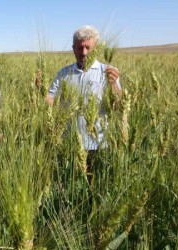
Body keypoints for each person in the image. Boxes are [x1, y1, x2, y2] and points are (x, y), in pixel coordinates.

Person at [45, 25, 122, 182]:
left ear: (96, 48)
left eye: (88, 47)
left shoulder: (107, 72)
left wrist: (114, 86)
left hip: (98, 145)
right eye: (80, 48)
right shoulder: (63, 73)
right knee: (70, 187)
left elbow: (119, 107)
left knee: (95, 188)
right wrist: (39, 91)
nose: (84, 52)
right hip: (69, 144)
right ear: (73, 49)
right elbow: (50, 100)